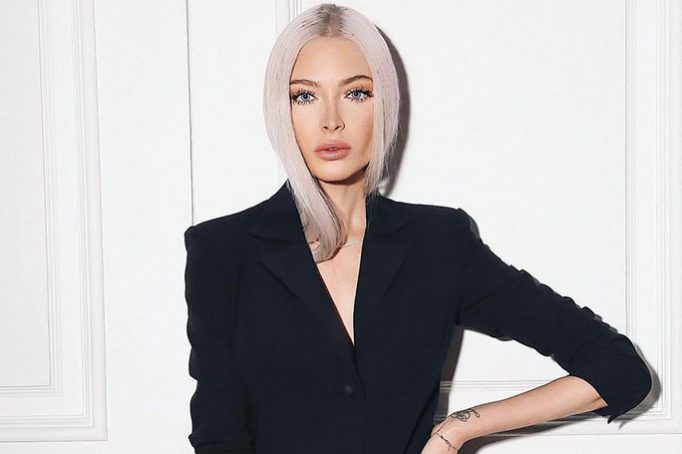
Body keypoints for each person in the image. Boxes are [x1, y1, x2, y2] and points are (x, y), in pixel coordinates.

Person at [183, 4, 652, 454]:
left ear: (384, 103)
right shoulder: (223, 253)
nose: (331, 121)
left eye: (356, 93)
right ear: (280, 110)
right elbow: (219, 437)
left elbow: (618, 368)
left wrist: (460, 428)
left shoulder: (439, 245)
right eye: (304, 96)